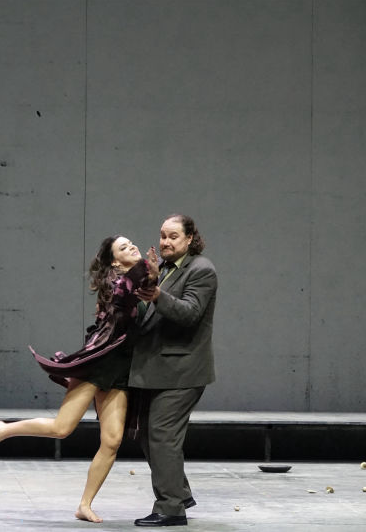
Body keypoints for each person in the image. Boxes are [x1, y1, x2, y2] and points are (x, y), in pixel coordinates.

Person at [0, 235, 157, 524]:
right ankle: (3, 429)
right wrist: (150, 268)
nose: (132, 247)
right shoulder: (116, 283)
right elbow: (126, 291)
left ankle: (84, 505)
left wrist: (151, 274)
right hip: (98, 364)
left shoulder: (138, 283)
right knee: (62, 428)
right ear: (114, 262)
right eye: (124, 248)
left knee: (112, 441)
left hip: (121, 370)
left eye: (131, 243)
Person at [130, 214, 218, 527]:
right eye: (163, 235)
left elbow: (190, 313)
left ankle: (171, 509)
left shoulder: (201, 269)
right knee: (147, 435)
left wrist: (157, 295)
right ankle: (178, 493)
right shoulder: (164, 269)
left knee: (162, 435)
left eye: (173, 236)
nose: (165, 242)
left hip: (182, 371)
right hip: (159, 370)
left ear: (190, 238)